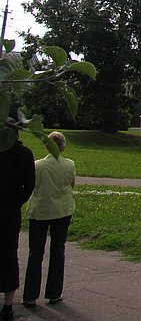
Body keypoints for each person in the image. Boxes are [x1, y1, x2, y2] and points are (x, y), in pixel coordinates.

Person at [21, 132, 75, 308]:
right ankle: (54, 292)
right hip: (62, 211)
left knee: (35, 252)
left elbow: (31, 185)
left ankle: (30, 295)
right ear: (63, 147)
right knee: (58, 250)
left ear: (47, 147)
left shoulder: (37, 165)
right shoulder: (69, 165)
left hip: (40, 211)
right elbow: (71, 185)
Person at [0, 123, 35, 321]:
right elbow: (30, 184)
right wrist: (16, 201)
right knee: (9, 254)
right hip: (11, 212)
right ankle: (8, 305)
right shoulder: (25, 153)